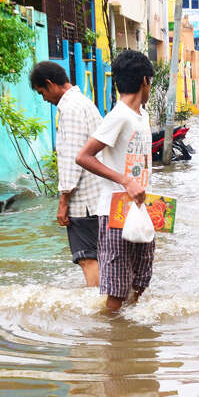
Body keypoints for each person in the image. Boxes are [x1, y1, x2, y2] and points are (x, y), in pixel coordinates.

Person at [76, 50, 155, 312]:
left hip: (141, 209)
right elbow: (84, 156)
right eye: (151, 82)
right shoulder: (118, 116)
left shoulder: (141, 116)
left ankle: (128, 342)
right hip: (114, 213)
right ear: (145, 81)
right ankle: (110, 343)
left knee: (140, 283)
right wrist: (125, 181)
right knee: (117, 291)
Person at [30, 61, 104, 287]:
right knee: (99, 256)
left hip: (85, 202)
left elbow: (73, 159)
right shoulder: (84, 103)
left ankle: (100, 309)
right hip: (98, 196)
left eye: (42, 92)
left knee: (87, 258)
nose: (44, 99)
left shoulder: (70, 109)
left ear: (51, 84)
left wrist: (63, 202)